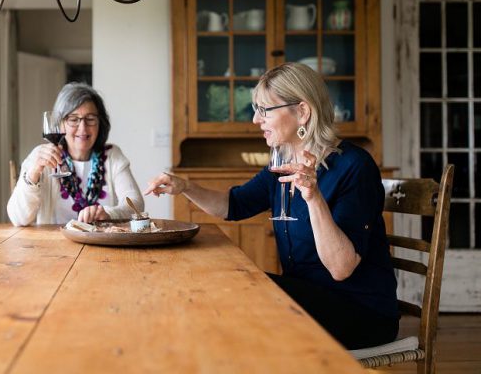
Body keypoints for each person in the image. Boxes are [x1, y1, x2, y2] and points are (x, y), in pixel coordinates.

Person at [145, 62, 398, 350]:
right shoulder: (281, 165)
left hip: (361, 312)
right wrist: (186, 187)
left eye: (265, 110)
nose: (255, 119)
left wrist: (313, 197)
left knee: (243, 296)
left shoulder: (355, 167)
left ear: (302, 112)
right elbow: (234, 205)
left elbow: (341, 268)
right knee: (233, 288)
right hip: (308, 299)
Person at [8, 82, 143, 226]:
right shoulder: (40, 157)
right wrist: (34, 172)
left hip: (101, 245)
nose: (83, 128)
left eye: (90, 119)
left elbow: (136, 205)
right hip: (53, 245)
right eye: (73, 119)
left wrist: (108, 213)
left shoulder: (112, 155)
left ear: (100, 123)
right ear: (60, 123)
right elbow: (18, 218)